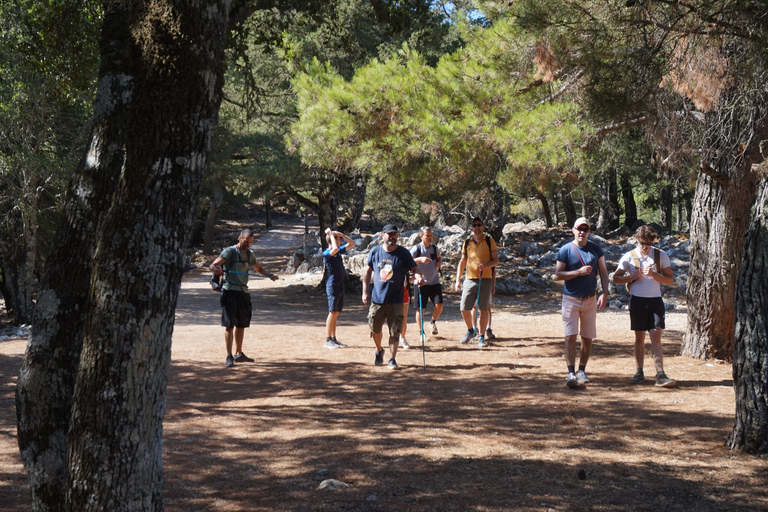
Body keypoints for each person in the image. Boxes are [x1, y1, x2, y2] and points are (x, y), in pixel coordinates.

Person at [612, 225, 676, 387]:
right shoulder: (629, 256)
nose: (646, 246)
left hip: (655, 300)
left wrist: (654, 274)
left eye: (649, 242)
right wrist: (631, 276)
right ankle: (639, 371)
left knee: (656, 336)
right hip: (637, 301)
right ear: (637, 240)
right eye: (642, 243)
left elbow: (669, 279)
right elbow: (616, 279)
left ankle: (660, 374)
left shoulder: (661, 256)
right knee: (639, 337)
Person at [210, 228, 279, 367]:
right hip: (229, 291)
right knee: (229, 325)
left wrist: (270, 275)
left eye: (250, 243)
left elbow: (259, 269)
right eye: (246, 242)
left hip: (243, 292)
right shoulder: (229, 252)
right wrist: (216, 270)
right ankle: (229, 356)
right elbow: (213, 265)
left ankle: (239, 353)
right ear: (240, 238)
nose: (248, 245)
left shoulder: (249, 254)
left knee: (241, 324)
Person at [554, 217, 609, 388]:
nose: (582, 232)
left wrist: (604, 293)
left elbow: (604, 273)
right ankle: (570, 373)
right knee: (570, 336)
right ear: (573, 230)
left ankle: (582, 370)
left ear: (589, 232)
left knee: (587, 337)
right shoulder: (565, 250)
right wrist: (578, 272)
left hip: (590, 299)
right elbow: (558, 274)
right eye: (579, 229)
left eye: (585, 230)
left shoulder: (596, 249)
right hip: (570, 298)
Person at [362, 224, 424, 369]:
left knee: (395, 332)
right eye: (389, 234)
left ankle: (392, 359)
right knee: (375, 330)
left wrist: (418, 277)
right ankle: (379, 350)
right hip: (377, 299)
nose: (392, 236)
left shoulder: (403, 253)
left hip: (396, 300)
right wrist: (365, 292)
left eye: (394, 234)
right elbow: (367, 272)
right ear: (382, 235)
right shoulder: (375, 251)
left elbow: (415, 268)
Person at [454, 217, 499, 348]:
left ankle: (481, 337)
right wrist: (458, 280)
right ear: (472, 227)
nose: (477, 227)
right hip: (469, 279)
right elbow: (462, 261)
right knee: (464, 308)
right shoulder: (467, 242)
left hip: (485, 279)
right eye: (474, 225)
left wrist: (485, 266)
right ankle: (470, 330)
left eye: (479, 225)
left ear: (483, 227)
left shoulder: (490, 241)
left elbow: (496, 261)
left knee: (483, 309)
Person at [322, 228, 356, 349]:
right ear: (332, 241)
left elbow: (352, 244)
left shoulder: (338, 252)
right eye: (339, 240)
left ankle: (334, 338)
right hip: (332, 286)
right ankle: (328, 339)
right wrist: (331, 234)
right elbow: (334, 248)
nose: (340, 242)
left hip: (340, 285)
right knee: (332, 312)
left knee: (336, 313)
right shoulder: (327, 253)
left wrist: (342, 234)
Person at [410, 226, 444, 338]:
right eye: (427, 235)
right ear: (421, 236)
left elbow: (439, 257)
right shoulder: (416, 249)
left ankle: (432, 322)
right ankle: (421, 332)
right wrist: (420, 259)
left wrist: (439, 262)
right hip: (420, 282)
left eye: (431, 235)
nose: (430, 237)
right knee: (421, 309)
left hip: (434, 281)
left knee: (439, 305)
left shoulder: (434, 248)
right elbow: (408, 261)